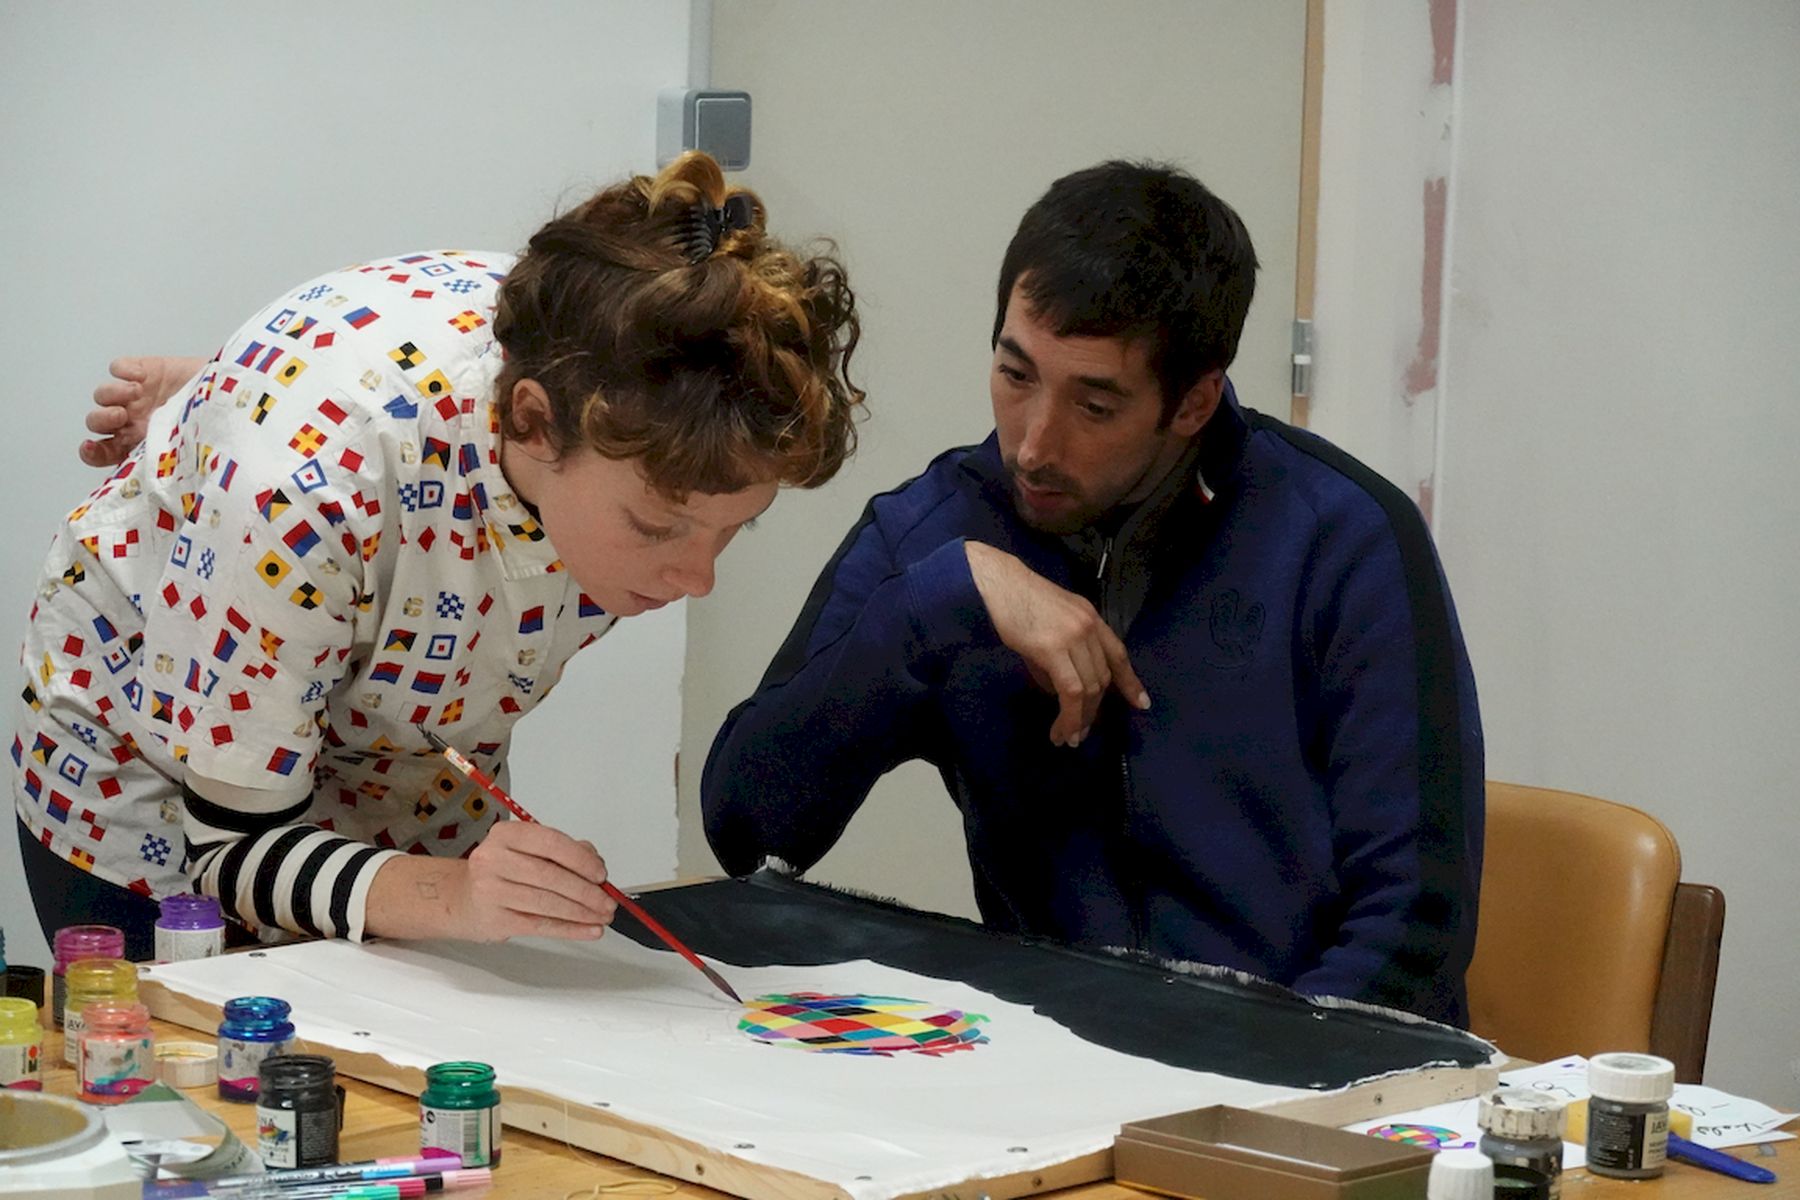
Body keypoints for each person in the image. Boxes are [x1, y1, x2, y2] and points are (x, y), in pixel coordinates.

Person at [16, 152, 863, 960]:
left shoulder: (611, 345)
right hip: (158, 765)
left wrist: (460, 893)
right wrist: (450, 896)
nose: (697, 579)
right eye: (656, 528)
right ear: (531, 422)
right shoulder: (299, 493)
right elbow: (231, 851)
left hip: (392, 735)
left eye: (734, 528)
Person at [701, 161, 1484, 1025]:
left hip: (1302, 1068)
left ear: (1193, 403)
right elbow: (746, 829)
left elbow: (1412, 931)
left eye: (1095, 406)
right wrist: (932, 609)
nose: (1035, 444)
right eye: (1016, 375)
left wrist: (1254, 1084)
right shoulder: (935, 537)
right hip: (1055, 1062)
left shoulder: (1344, 539)